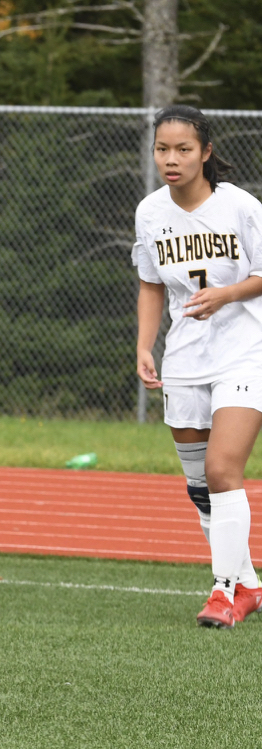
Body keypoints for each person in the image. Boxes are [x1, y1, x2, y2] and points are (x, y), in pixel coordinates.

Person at [134, 104, 262, 629]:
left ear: (205, 153)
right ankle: (250, 584)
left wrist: (227, 294)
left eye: (183, 149)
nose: (171, 158)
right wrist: (145, 344)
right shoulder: (149, 212)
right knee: (198, 486)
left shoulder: (241, 207)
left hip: (245, 348)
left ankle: (223, 591)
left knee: (221, 470)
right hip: (185, 356)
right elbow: (150, 282)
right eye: (163, 148)